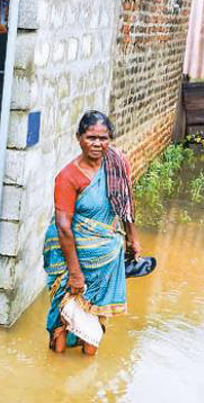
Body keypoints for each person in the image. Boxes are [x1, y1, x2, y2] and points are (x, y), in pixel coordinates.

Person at [43, 110, 142, 355]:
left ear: (110, 139)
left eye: (103, 138)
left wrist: (133, 237)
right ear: (79, 138)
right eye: (91, 137)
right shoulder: (68, 177)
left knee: (96, 313)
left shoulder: (116, 163)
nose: (98, 144)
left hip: (105, 258)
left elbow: (125, 202)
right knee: (64, 315)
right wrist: (75, 274)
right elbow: (64, 227)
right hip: (71, 253)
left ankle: (87, 372)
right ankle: (56, 368)